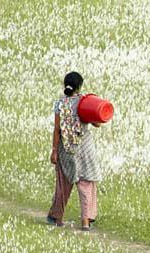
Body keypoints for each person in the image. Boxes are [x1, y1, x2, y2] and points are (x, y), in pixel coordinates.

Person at [47, 72, 102, 231]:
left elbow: (57, 130)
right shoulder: (84, 102)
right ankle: (85, 221)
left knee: (63, 184)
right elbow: (97, 123)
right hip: (85, 149)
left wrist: (54, 151)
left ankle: (57, 217)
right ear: (79, 86)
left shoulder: (59, 104)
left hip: (66, 149)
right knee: (86, 184)